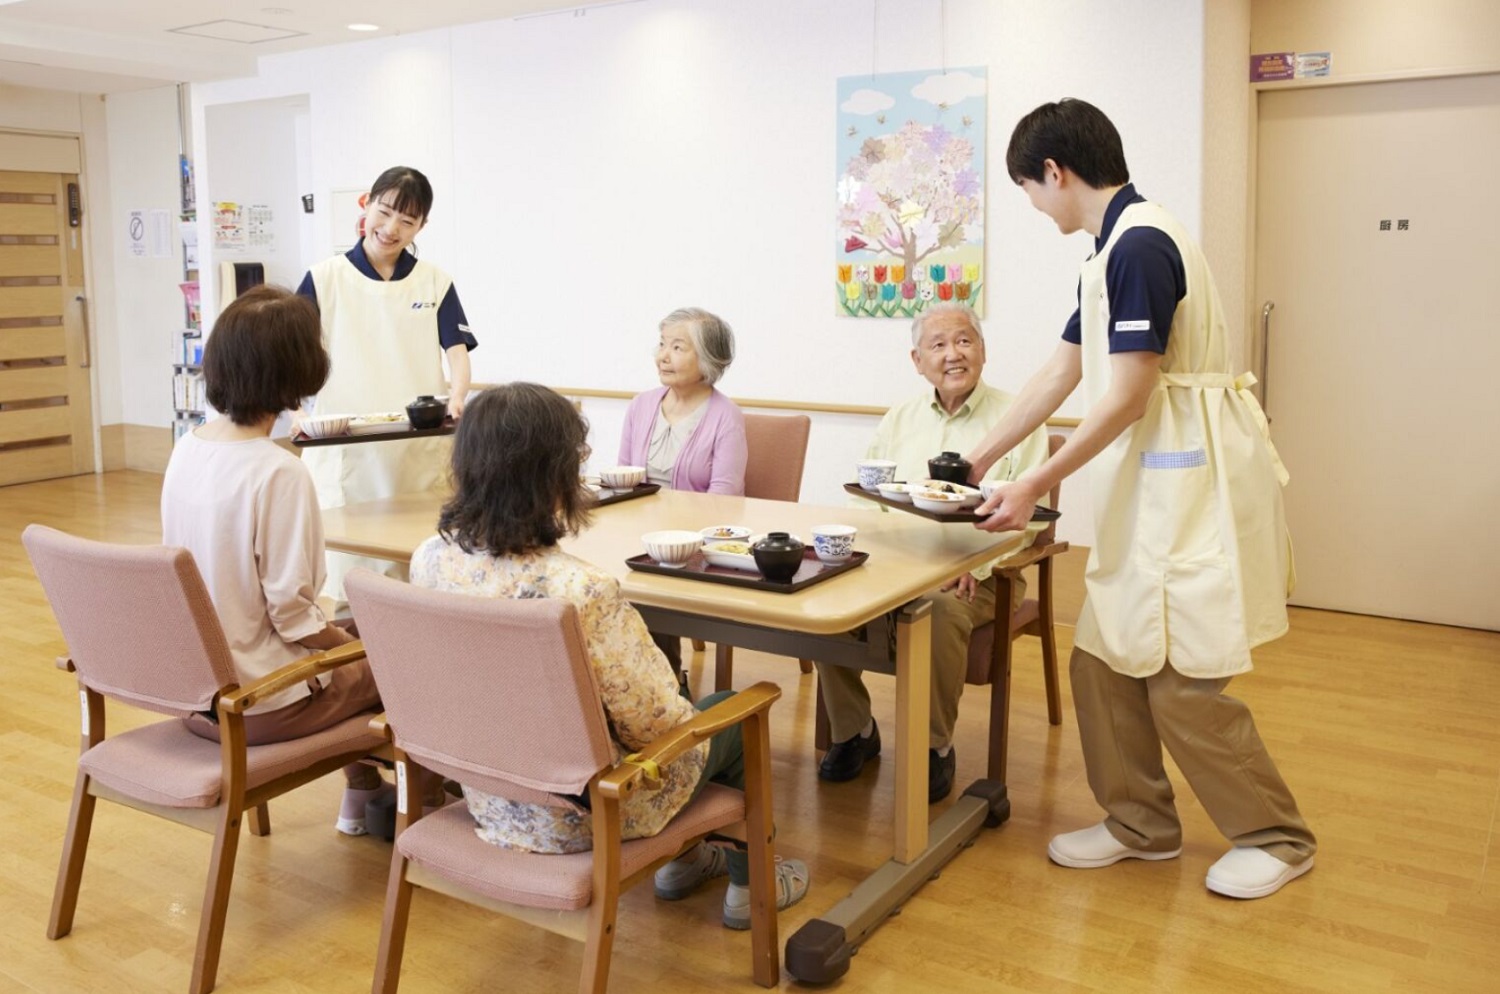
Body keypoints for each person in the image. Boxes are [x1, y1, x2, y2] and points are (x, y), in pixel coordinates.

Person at [964, 98, 1315, 898]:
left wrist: (1032, 483)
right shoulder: (1106, 253)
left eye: (1028, 189)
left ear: (1054, 172)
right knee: (1101, 661)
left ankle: (1278, 836)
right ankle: (1140, 824)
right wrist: (979, 457)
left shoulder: (1142, 246)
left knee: (1182, 680)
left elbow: (1126, 395)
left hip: (1186, 488)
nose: (1032, 205)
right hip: (1149, 490)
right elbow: (1060, 372)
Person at [410, 382, 808, 929]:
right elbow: (659, 726)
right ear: (556, 476)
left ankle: (686, 863)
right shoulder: (580, 591)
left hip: (490, 794)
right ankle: (751, 886)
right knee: (731, 712)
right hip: (588, 813)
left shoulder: (430, 561)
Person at [160, 286, 389, 836]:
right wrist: (354, 647)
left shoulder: (187, 447)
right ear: (297, 370)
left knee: (362, 628)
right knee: (405, 655)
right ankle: (417, 804)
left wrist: (346, 637)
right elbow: (295, 618)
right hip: (258, 704)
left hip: (199, 697)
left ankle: (364, 793)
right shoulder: (278, 471)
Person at [816, 302, 1051, 804]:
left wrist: (975, 566)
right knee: (824, 595)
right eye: (938, 345)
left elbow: (1031, 520)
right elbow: (868, 498)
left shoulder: (1019, 418)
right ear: (917, 360)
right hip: (899, 566)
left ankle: (933, 747)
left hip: (983, 574)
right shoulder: (900, 417)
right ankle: (854, 730)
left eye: (964, 341)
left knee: (940, 608)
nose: (953, 354)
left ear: (983, 350)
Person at [296, 165, 478, 603]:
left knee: (417, 573)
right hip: (347, 446)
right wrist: (296, 411)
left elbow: (457, 352)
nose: (391, 228)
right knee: (348, 576)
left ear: (422, 226)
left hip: (415, 448)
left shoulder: (434, 281)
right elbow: (288, 353)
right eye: (385, 211)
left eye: (407, 221)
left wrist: (457, 397)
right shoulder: (323, 278)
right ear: (367, 204)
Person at [617, 306, 747, 669]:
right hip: (637, 534)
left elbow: (724, 502)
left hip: (694, 545)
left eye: (677, 347)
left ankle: (666, 681)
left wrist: (671, 539)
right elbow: (624, 480)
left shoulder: (726, 417)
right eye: (662, 344)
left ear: (707, 359)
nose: (663, 356)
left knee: (652, 583)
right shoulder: (641, 405)